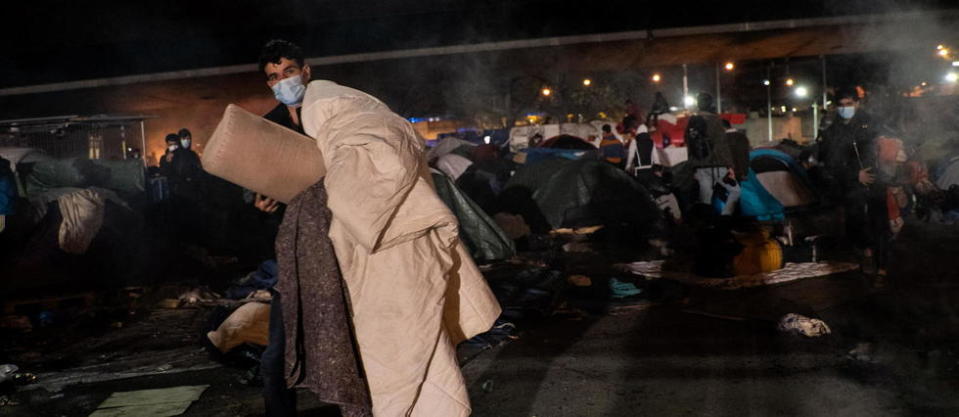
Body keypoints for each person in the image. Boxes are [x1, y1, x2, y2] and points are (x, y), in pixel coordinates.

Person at [295, 79, 500, 416]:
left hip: (380, 268)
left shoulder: (347, 138)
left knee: (395, 359)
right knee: (429, 349)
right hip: (416, 257)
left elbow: (354, 206)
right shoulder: (389, 127)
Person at [254, 39, 311, 417]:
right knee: (274, 359)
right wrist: (259, 205)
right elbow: (254, 177)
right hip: (293, 253)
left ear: (306, 71)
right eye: (273, 77)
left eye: (288, 72)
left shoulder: (332, 112)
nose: (282, 82)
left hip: (344, 244)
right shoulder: (267, 128)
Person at [817, 87, 881, 271]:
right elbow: (831, 161)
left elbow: (876, 150)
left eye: (849, 104)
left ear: (857, 104)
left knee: (877, 217)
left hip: (875, 178)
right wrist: (855, 175)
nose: (845, 108)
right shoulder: (833, 131)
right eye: (841, 105)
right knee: (856, 214)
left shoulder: (870, 124)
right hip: (850, 182)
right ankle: (863, 252)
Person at [685, 92, 735, 207]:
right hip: (717, 163)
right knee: (733, 192)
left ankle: (706, 221)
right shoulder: (715, 121)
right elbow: (722, 144)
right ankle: (725, 218)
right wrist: (730, 165)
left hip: (699, 163)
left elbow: (689, 143)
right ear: (710, 104)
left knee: (705, 198)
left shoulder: (692, 121)